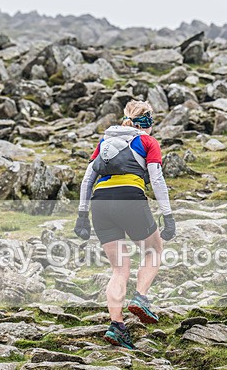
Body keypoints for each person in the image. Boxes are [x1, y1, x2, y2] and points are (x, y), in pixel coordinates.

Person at [74, 100, 175, 350]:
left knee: (119, 269)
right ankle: (140, 297)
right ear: (148, 123)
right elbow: (157, 180)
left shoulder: (104, 142)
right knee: (153, 251)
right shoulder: (147, 142)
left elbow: (88, 179)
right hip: (130, 198)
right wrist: (168, 216)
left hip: (100, 203)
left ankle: (117, 326)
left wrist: (81, 215)